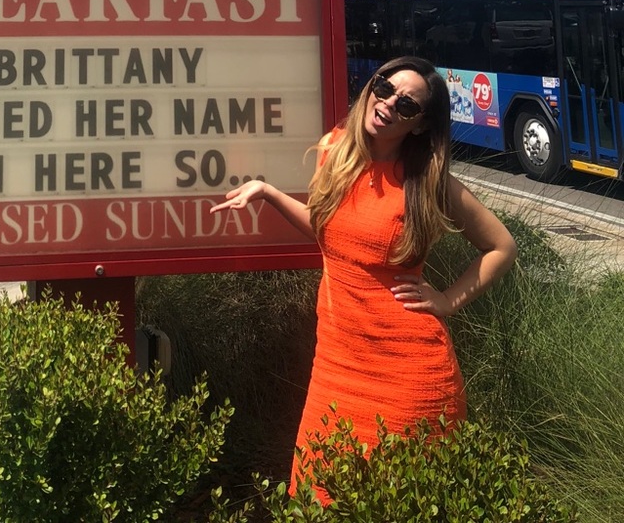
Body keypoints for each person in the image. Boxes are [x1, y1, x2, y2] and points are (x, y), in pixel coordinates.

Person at [210, 55, 517, 496]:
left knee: (398, 501)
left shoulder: (427, 180)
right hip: (336, 362)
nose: (389, 103)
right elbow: (328, 231)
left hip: (410, 374)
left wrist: (448, 300)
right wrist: (270, 193)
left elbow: (501, 247)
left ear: (419, 125)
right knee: (317, 493)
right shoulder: (335, 150)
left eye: (407, 105)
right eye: (384, 87)